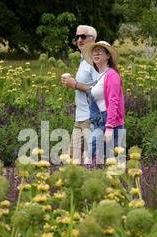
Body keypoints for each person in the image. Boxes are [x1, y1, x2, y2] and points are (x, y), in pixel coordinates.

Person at [82, 41, 125, 164]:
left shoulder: (112, 75)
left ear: (108, 56)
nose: (96, 53)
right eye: (94, 51)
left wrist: (110, 127)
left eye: (100, 51)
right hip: (100, 120)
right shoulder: (100, 76)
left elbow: (113, 102)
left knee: (110, 159)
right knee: (96, 156)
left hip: (111, 121)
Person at [61, 25, 99, 163]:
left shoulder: (95, 61)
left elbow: (98, 89)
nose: (79, 40)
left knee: (91, 159)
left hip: (91, 118)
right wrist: (70, 82)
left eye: (83, 36)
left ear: (93, 40)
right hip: (80, 117)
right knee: (72, 159)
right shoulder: (84, 60)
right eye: (77, 37)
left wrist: (75, 84)